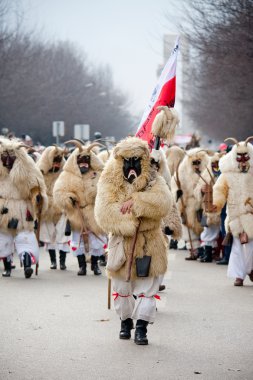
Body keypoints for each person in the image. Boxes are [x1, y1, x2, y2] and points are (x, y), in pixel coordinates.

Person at [95, 136, 173, 345]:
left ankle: (141, 328)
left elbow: (164, 203)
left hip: (149, 242)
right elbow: (103, 211)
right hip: (122, 242)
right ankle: (125, 321)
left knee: (147, 288)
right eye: (127, 161)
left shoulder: (154, 179)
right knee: (122, 288)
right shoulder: (109, 179)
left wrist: (137, 201)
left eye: (136, 160)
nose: (132, 166)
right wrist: (128, 221)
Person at [53, 140, 107, 276]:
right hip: (76, 212)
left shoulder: (97, 174)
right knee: (79, 240)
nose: (83, 163)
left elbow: (106, 189)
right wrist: (69, 198)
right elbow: (59, 191)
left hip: (93, 211)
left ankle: (95, 265)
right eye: (80, 160)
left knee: (97, 240)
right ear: (76, 161)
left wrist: (97, 194)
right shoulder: (67, 174)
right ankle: (82, 266)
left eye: (86, 160)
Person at [207, 137, 253, 286]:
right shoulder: (227, 173)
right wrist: (217, 204)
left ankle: (250, 269)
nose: (242, 160)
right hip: (234, 214)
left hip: (251, 213)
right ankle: (239, 275)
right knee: (237, 245)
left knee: (251, 246)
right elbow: (220, 189)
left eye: (245, 156)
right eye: (239, 157)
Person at [0, 137, 48, 278]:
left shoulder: (27, 171)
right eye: (4, 157)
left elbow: (36, 188)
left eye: (11, 157)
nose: (7, 160)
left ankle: (27, 266)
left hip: (22, 210)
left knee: (25, 237)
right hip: (3, 211)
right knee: (3, 239)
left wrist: (38, 197)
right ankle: (7, 267)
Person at [36, 145, 69, 270]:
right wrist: (38, 198)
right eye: (54, 161)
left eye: (58, 161)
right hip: (46, 208)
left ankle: (62, 261)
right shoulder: (40, 174)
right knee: (49, 236)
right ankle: (53, 261)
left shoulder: (65, 173)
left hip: (61, 207)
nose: (56, 164)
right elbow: (34, 189)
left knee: (62, 235)